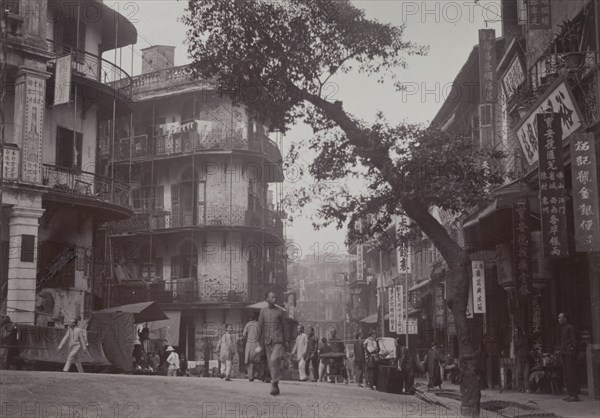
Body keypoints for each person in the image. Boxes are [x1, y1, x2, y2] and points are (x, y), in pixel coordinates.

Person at [257, 291, 288, 395]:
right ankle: (275, 384)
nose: (274, 299)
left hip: (278, 340)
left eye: (275, 297)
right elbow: (260, 326)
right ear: (267, 299)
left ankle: (274, 381)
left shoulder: (280, 311)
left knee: (274, 359)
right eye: (272, 297)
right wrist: (258, 341)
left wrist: (286, 340)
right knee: (271, 362)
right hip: (267, 340)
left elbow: (284, 327)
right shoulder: (263, 311)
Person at [558, 312, 579, 402]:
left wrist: (572, 352)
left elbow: (574, 342)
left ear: (565, 318)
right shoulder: (563, 328)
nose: (558, 320)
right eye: (558, 318)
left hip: (569, 354)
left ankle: (574, 395)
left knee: (571, 374)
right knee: (566, 374)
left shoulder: (570, 327)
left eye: (560, 318)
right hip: (564, 353)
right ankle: (570, 394)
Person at [243, 313, 260, 381]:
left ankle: (251, 377)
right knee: (258, 360)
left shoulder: (248, 324)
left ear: (250, 318)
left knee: (249, 361)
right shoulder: (258, 324)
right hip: (257, 344)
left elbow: (244, 334)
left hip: (249, 344)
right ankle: (260, 375)